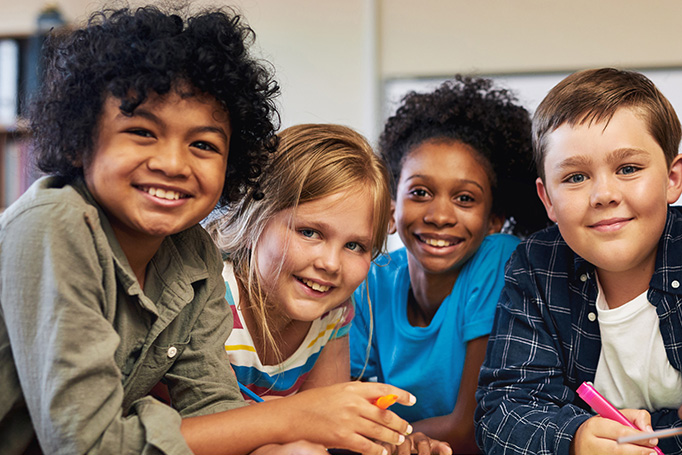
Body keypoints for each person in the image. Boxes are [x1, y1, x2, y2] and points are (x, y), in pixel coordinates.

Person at [0, 7, 414, 455]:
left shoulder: (192, 253)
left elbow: (213, 407)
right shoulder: (55, 224)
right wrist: (296, 416)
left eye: (202, 144)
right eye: (141, 131)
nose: (174, 164)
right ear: (81, 141)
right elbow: (87, 444)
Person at [208, 123, 451, 455]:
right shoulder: (214, 297)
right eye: (309, 232)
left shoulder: (333, 313)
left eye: (355, 245)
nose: (331, 264)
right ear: (255, 218)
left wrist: (390, 443)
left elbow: (327, 432)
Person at [475, 67, 682, 455]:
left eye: (628, 169)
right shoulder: (535, 266)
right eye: (575, 177)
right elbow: (501, 414)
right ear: (547, 199)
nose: (604, 194)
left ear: (672, 178)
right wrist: (577, 438)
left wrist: (654, 437)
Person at [349, 75, 549, 453]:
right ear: (392, 208)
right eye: (420, 193)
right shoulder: (371, 279)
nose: (440, 215)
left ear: (493, 220)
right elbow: (347, 412)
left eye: (465, 198)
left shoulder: (498, 260)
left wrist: (389, 439)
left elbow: (471, 425)